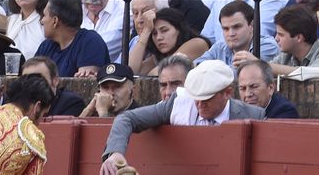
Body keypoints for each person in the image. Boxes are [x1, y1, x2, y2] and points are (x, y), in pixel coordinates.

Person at [98, 60, 263, 174]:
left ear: (227, 92)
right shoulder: (178, 102)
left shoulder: (254, 115)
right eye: (195, 97)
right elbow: (127, 119)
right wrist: (115, 153)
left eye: (206, 99)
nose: (199, 104)